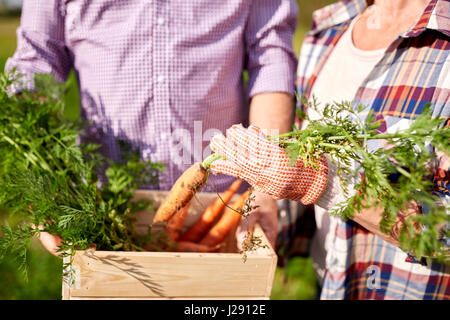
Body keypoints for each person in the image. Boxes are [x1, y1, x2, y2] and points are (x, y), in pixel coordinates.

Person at [5, 0, 299, 254]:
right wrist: (41, 188)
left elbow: (270, 55)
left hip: (226, 208)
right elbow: (37, 62)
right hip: (101, 212)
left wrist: (264, 186)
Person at [210, 0, 449, 299]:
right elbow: (300, 164)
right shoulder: (328, 28)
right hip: (329, 287)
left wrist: (321, 181)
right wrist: (268, 200)